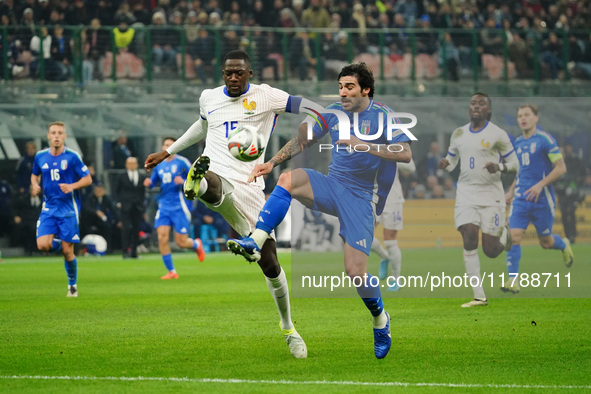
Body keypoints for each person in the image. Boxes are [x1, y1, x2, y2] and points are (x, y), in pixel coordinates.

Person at [227, 62, 413, 359]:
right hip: (332, 184)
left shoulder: (383, 116)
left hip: (361, 198)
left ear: (366, 89)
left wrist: (363, 145)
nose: (343, 93)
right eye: (340, 87)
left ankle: (380, 320)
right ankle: (257, 239)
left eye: (349, 87)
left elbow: (404, 153)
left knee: (355, 272)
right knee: (288, 180)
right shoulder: (332, 113)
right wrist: (272, 163)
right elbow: (303, 140)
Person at [144, 50, 308, 359]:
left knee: (270, 264)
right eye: (228, 73)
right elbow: (203, 127)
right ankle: (198, 181)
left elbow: (303, 106)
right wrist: (167, 152)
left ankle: (289, 328)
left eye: (239, 73)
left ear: (250, 73)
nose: (233, 77)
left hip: (250, 183)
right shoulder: (208, 97)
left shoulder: (267, 96)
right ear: (222, 73)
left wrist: (325, 113)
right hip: (218, 168)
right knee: (213, 183)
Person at [438, 93, 519, 308]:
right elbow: (453, 161)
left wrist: (500, 167)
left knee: (491, 251)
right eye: (473, 103)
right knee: (469, 236)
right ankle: (479, 296)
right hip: (466, 193)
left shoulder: (498, 134)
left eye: (481, 103)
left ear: (488, 110)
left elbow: (515, 164)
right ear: (469, 108)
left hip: (491, 195)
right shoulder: (459, 133)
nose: (476, 106)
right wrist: (446, 163)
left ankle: (503, 235)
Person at [503, 104, 574, 294]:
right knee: (513, 237)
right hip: (521, 199)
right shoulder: (517, 143)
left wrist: (540, 185)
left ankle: (563, 244)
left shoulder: (545, 140)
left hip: (542, 200)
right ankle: (512, 281)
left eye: (527, 115)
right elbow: (521, 172)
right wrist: (510, 191)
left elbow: (561, 168)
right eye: (519, 115)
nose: (523, 118)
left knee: (546, 242)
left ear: (536, 118)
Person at [31, 121, 93, 297]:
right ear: (48, 136)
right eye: (53, 133)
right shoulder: (40, 156)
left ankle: (72, 286)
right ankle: (63, 245)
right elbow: (34, 175)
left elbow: (87, 179)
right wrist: (34, 186)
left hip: (68, 209)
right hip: (49, 207)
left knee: (68, 252)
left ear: (64, 136)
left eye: (60, 133)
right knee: (42, 245)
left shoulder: (73, 157)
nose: (56, 136)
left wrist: (72, 186)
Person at [144, 137, 206, 279]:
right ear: (162, 147)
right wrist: (149, 183)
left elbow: (195, 178)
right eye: (166, 145)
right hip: (164, 205)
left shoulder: (182, 162)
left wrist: (183, 181)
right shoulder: (159, 164)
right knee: (162, 237)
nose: (168, 147)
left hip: (180, 205)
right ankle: (172, 271)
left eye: (171, 145)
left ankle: (196, 244)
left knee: (181, 242)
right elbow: (154, 180)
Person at [372, 159, 416, 292]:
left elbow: (411, 167)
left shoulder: (391, 142)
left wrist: (389, 154)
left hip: (391, 197)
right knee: (364, 236)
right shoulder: (360, 142)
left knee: (390, 238)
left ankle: (396, 280)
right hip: (370, 195)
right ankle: (384, 256)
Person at [115, 157, 147, 258]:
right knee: (126, 229)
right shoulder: (121, 176)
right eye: (130, 163)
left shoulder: (142, 176)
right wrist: (119, 202)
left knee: (136, 230)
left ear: (137, 164)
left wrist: (141, 205)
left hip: (137, 207)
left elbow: (142, 192)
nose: (132, 165)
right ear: (126, 165)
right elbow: (117, 190)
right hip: (125, 206)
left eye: (134, 163)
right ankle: (125, 251)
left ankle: (134, 252)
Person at [81, 182, 120, 253]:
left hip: (102, 222)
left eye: (100, 190)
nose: (98, 192)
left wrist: (119, 221)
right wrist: (96, 212)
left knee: (108, 227)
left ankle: (108, 248)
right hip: (91, 220)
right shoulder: (90, 198)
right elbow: (86, 208)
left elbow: (113, 209)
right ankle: (87, 249)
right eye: (97, 190)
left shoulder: (106, 198)